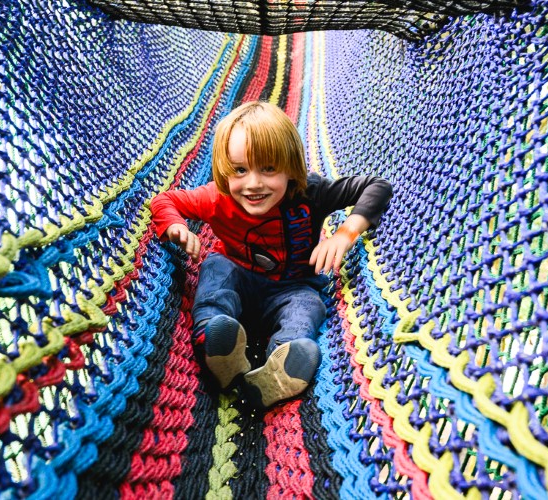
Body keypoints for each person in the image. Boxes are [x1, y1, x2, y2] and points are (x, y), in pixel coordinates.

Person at [149, 101, 393, 408]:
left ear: (290, 167)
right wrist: (176, 226)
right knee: (216, 269)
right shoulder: (216, 197)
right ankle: (215, 342)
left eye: (268, 169)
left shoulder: (309, 193)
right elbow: (164, 201)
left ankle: (280, 365)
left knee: (309, 305)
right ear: (224, 170)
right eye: (240, 170)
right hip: (238, 275)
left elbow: (377, 186)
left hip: (291, 288)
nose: (254, 184)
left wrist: (346, 232)